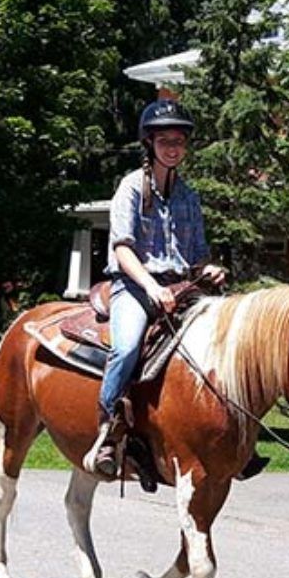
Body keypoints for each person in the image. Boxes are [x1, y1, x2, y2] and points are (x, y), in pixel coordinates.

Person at [83, 99, 228, 476]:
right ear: (150, 143)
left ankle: (229, 437)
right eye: (165, 140)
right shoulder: (131, 187)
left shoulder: (189, 196)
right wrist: (150, 286)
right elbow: (122, 248)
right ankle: (108, 430)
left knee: (227, 342)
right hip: (134, 285)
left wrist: (208, 270)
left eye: (179, 140)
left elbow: (195, 256)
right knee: (128, 346)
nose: (173, 147)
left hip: (180, 288)